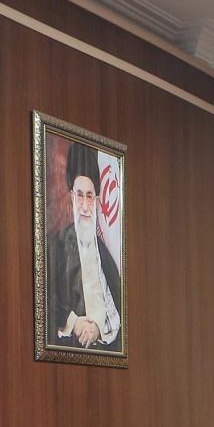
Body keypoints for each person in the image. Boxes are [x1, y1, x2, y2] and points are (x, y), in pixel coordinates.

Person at [44, 141, 123, 352]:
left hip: (105, 346)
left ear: (96, 200)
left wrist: (98, 328)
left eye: (90, 196)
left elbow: (117, 310)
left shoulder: (103, 253)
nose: (85, 206)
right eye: (80, 195)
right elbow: (46, 301)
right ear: (72, 197)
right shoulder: (56, 246)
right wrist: (74, 323)